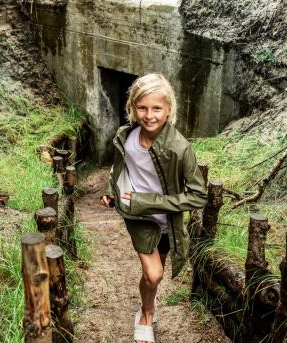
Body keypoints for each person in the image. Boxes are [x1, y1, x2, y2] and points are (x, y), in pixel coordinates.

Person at [100, 73, 207, 343]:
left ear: (168, 109)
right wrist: (111, 192)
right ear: (132, 108)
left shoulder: (180, 149)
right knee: (154, 273)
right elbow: (119, 168)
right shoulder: (125, 136)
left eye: (157, 108)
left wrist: (150, 201)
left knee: (153, 278)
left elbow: (198, 196)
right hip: (137, 215)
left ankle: (148, 299)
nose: (149, 115)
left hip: (166, 221)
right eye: (142, 108)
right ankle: (146, 315)